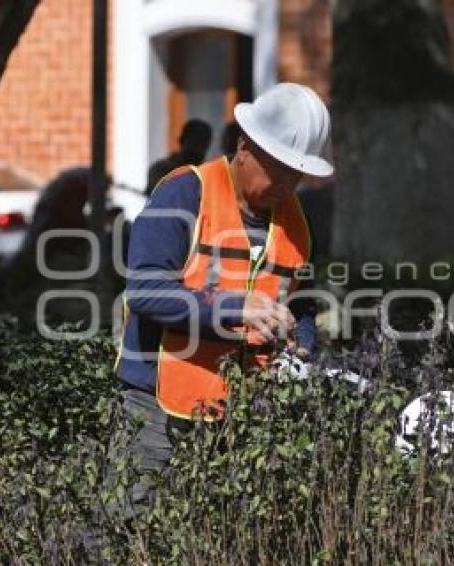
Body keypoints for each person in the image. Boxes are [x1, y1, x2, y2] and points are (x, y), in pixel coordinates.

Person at [112, 83, 333, 517]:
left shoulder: (297, 221)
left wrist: (300, 344)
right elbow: (145, 291)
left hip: (243, 407)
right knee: (127, 529)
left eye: (298, 173)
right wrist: (237, 307)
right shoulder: (183, 194)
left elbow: (301, 301)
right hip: (156, 402)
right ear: (245, 147)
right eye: (280, 168)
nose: (287, 184)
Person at [145, 119, 213, 196]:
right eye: (195, 143)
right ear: (182, 140)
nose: (199, 149)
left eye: (204, 144)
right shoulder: (160, 170)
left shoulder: (208, 177)